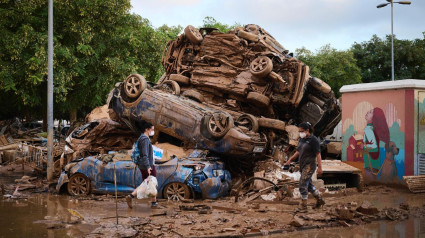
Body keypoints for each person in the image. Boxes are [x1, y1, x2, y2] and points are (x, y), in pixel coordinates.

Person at [284, 122, 325, 211]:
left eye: (301, 131)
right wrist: (289, 160)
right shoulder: (302, 139)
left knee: (302, 184)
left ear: (307, 130)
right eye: (299, 131)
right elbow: (298, 151)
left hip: (310, 165)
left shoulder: (313, 140)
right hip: (303, 165)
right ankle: (319, 200)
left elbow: (318, 154)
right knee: (309, 185)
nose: (300, 133)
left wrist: (320, 167)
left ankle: (304, 206)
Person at [126, 122, 158, 208]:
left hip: (146, 164)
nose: (153, 131)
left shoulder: (143, 138)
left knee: (149, 183)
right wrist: (148, 167)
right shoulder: (144, 139)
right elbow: (144, 154)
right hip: (147, 165)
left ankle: (154, 203)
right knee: (150, 182)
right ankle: (131, 196)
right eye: (152, 129)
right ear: (147, 129)